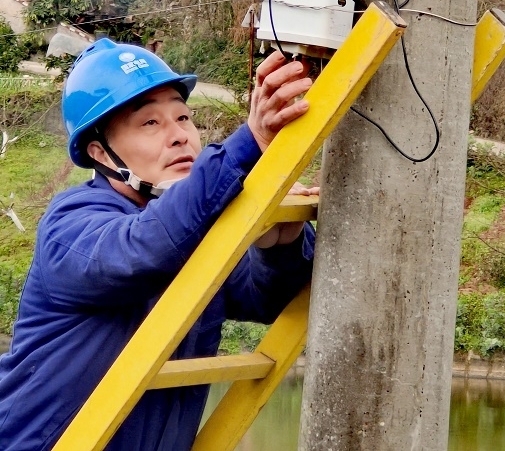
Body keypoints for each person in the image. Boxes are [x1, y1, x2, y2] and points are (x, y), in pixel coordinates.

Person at [0, 38, 317, 450]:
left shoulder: (198, 227)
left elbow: (265, 298)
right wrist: (250, 141)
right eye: (150, 123)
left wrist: (278, 243)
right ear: (100, 152)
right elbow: (146, 247)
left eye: (183, 117)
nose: (179, 136)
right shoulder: (70, 224)